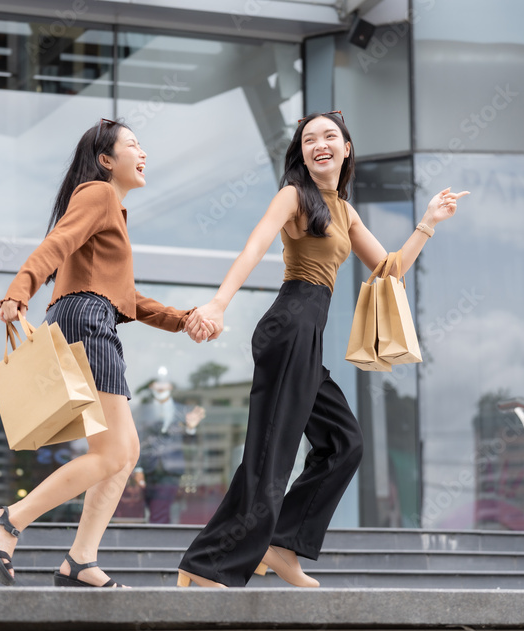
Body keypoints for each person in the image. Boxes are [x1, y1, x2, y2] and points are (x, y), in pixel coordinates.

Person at [176, 111, 469, 588]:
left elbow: (389, 271)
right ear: (302, 154)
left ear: (346, 148)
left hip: (306, 335)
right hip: (288, 325)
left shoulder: (345, 211)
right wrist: (218, 303)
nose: (319, 144)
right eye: (309, 139)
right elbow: (254, 246)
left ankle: (284, 544)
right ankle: (209, 563)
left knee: (343, 443)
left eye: (329, 136)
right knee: (272, 454)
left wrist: (427, 223)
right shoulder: (294, 196)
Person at [0, 118, 213, 588]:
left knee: (126, 450)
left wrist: (184, 319)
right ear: (106, 160)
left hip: (91, 316)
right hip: (86, 320)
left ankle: (80, 560)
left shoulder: (113, 211)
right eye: (134, 146)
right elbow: (56, 243)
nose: (143, 154)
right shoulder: (97, 194)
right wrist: (19, 290)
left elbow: (128, 298)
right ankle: (6, 521)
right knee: (114, 450)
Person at [135, 367, 206, 523]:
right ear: (151, 387)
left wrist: (190, 428)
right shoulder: (142, 410)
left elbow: (191, 444)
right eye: (157, 383)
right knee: (157, 509)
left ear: (170, 387)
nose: (161, 387)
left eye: (164, 384)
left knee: (158, 511)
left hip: (171, 470)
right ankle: (161, 540)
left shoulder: (182, 411)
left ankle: (153, 540)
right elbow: (137, 439)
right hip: (148, 469)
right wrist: (138, 468)